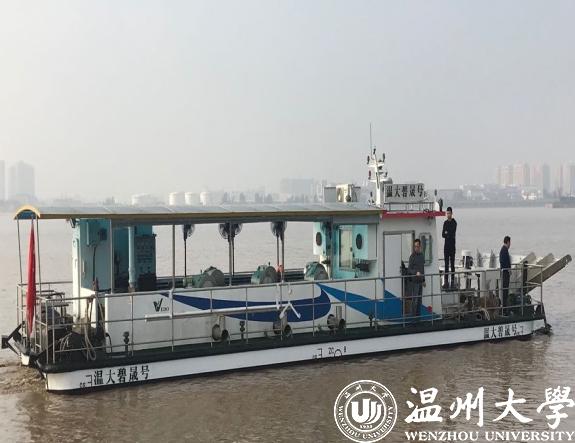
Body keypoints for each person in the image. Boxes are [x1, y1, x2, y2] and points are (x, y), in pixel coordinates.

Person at [408, 239, 426, 320]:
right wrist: (416, 272)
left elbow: (422, 269)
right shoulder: (412, 257)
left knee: (419, 301)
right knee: (414, 300)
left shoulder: (422, 256)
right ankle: (413, 318)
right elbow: (409, 270)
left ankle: (418, 318)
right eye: (415, 246)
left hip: (420, 281)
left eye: (417, 246)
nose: (416, 248)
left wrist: (423, 280)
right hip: (414, 281)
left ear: (420, 246)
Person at [442, 207, 457, 289]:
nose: (448, 215)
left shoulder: (454, 222)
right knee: (446, 265)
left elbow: (451, 232)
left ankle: (452, 282)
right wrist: (447, 233)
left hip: (452, 246)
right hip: (446, 247)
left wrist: (447, 233)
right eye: (447, 213)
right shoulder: (445, 223)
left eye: (449, 213)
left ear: (452, 213)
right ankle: (446, 282)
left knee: (452, 265)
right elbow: (443, 234)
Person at [499, 236, 511, 314]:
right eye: (510, 243)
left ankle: (504, 307)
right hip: (505, 272)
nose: (510, 245)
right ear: (508, 242)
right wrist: (508, 268)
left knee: (505, 290)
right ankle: (504, 308)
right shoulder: (504, 250)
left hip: (505, 272)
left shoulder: (503, 250)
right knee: (505, 291)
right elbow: (503, 261)